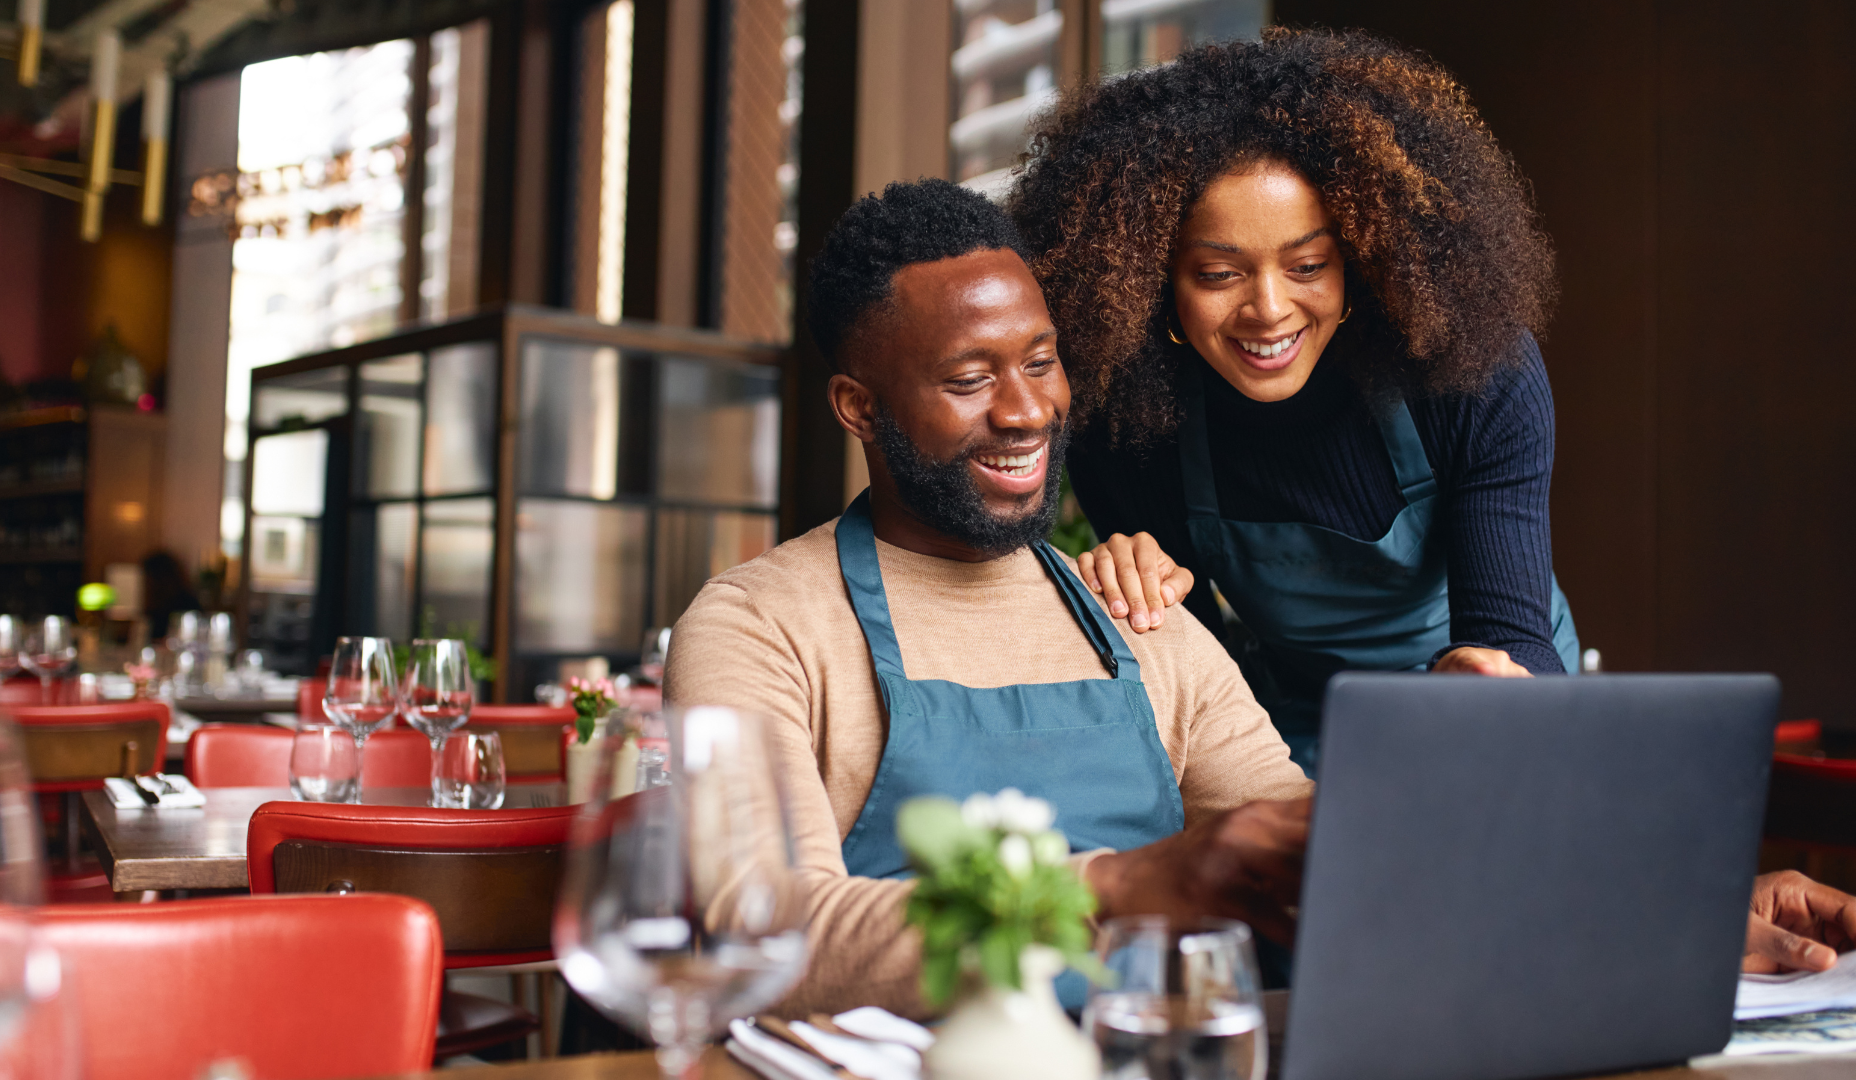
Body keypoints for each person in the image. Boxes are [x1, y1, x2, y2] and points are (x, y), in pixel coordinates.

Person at [664, 179, 1856, 1019]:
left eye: (1040, 363)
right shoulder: (760, 624)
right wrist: (1130, 885)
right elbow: (764, 928)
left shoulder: (1137, 616)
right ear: (858, 407)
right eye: (970, 380)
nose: (1027, 413)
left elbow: (1348, 867)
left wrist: (1669, 912)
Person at [1010, 30, 1577, 772]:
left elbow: (1513, 633)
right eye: (1219, 274)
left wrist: (1491, 682)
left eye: (1308, 264)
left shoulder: (1472, 371)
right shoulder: (1126, 421)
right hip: (1296, 726)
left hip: (1491, 706)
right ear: (1153, 286)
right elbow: (1200, 680)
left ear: (1361, 258)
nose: (1270, 310)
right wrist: (1136, 595)